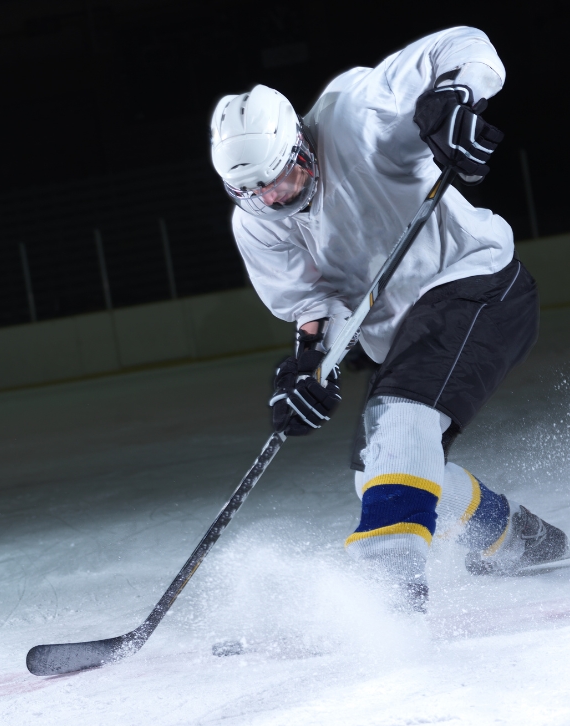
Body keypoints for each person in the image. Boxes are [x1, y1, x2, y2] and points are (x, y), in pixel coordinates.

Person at [208, 27, 566, 611]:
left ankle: (388, 588)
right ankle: (513, 536)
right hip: (406, 331)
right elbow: (311, 302)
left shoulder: (358, 116)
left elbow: (466, 46)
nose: (271, 200)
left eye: (279, 178)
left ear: (300, 143)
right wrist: (305, 366)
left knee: (401, 415)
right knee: (378, 468)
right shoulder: (257, 220)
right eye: (251, 191)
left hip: (478, 284)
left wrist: (452, 98)